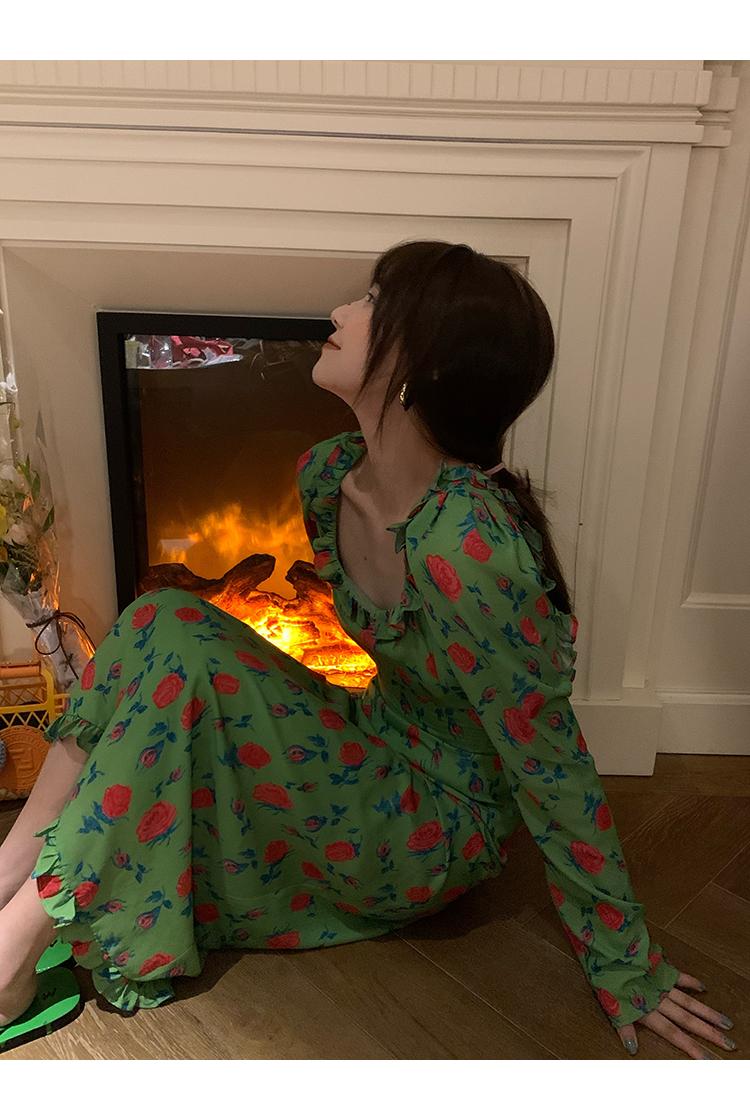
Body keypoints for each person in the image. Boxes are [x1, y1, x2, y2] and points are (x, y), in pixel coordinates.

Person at [0, 240, 735, 1060]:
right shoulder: (329, 477)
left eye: (375, 303)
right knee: (161, 619)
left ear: (426, 365)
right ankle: (12, 870)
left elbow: (552, 768)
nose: (340, 312)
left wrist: (624, 964)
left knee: (176, 661)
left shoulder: (470, 550)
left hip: (427, 824)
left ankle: (13, 957)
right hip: (366, 739)